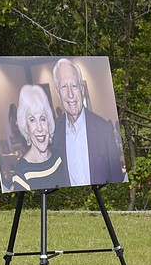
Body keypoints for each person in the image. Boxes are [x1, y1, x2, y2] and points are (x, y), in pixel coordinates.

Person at [51, 58, 126, 187]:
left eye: (74, 85)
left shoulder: (104, 129)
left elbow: (115, 176)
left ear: (82, 88)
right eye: (64, 87)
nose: (70, 94)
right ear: (58, 93)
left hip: (100, 199)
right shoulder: (54, 132)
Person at [10, 85, 70, 191]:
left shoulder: (60, 157)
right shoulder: (22, 173)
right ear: (25, 127)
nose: (39, 128)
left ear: (49, 122)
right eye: (32, 120)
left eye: (42, 119)